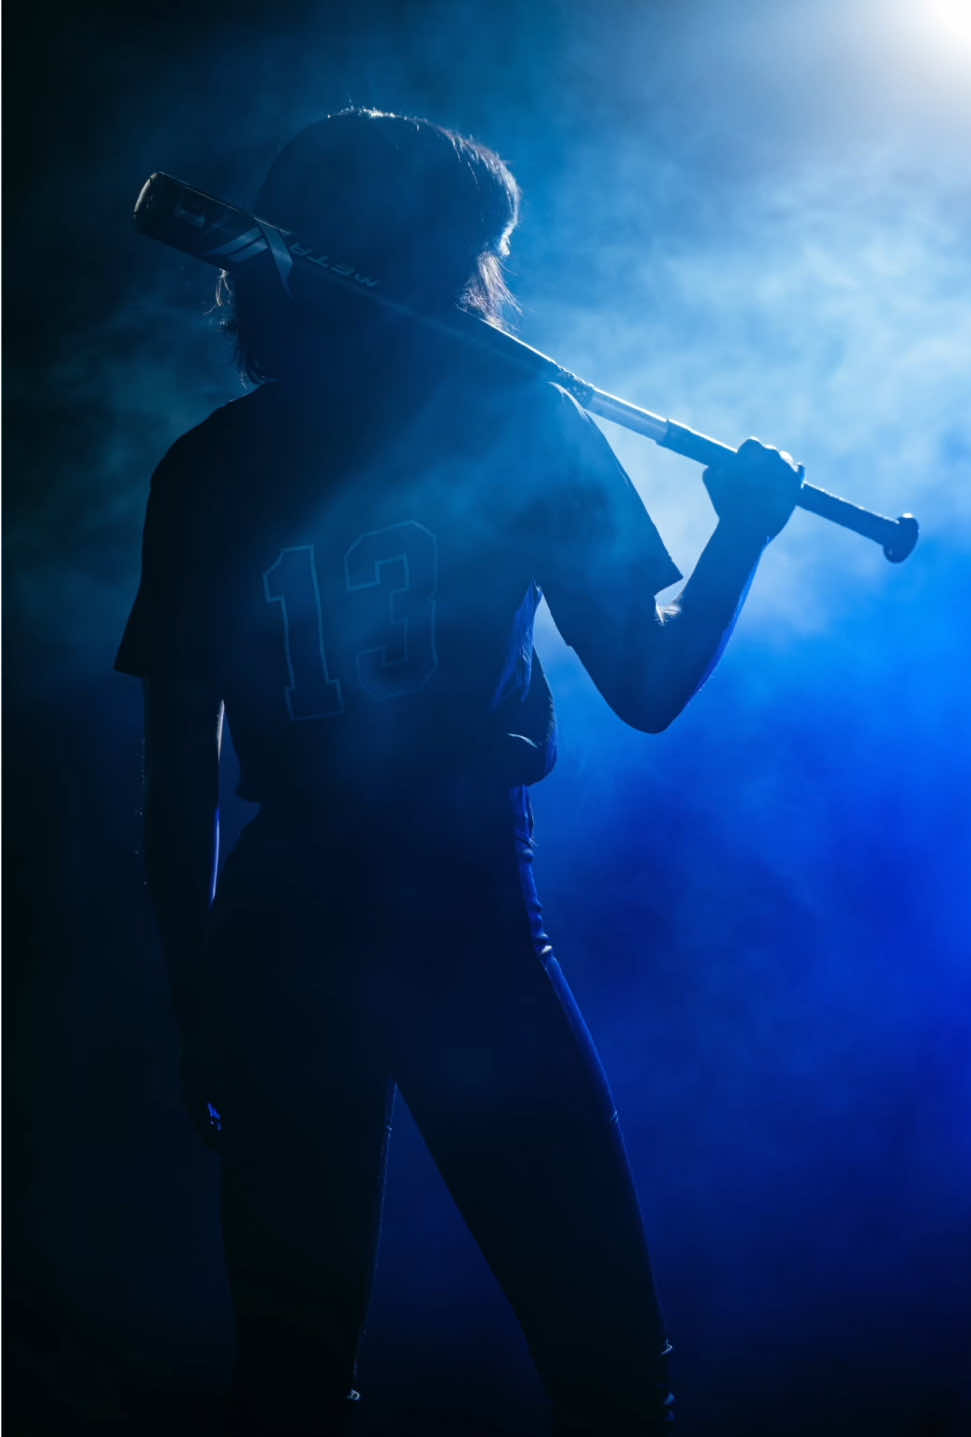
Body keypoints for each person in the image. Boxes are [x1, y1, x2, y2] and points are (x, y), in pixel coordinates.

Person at [117, 109, 803, 1436]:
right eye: (475, 253)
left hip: (277, 929)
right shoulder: (518, 419)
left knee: (292, 1382)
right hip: (457, 917)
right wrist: (740, 540)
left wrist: (197, 994)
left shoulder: (203, 469)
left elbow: (176, 791)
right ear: (433, 260)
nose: (487, 285)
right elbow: (648, 688)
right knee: (603, 1364)